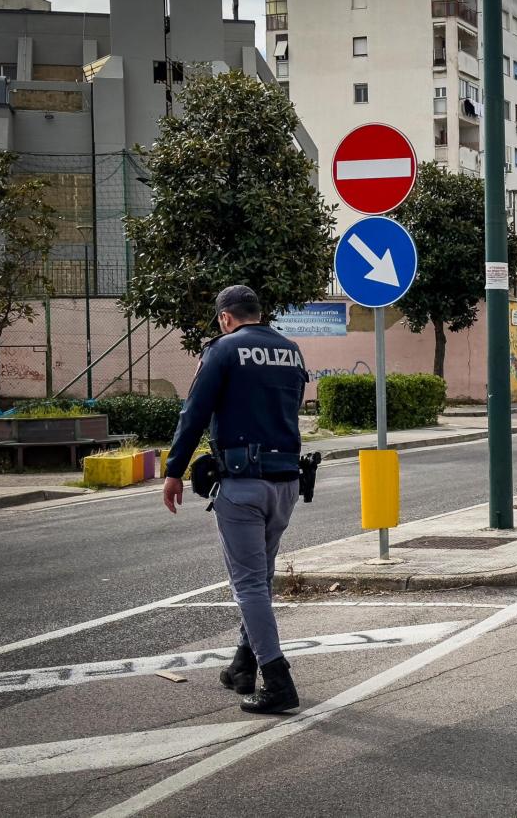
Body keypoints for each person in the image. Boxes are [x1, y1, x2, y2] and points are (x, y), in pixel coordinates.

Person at [162, 285, 308, 714]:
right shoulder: (291, 350)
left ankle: (278, 680)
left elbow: (195, 412)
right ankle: (242, 665)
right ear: (258, 313)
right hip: (286, 482)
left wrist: (174, 471)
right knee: (259, 579)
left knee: (247, 585)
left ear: (225, 317)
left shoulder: (224, 350)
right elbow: (293, 406)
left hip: (242, 484)